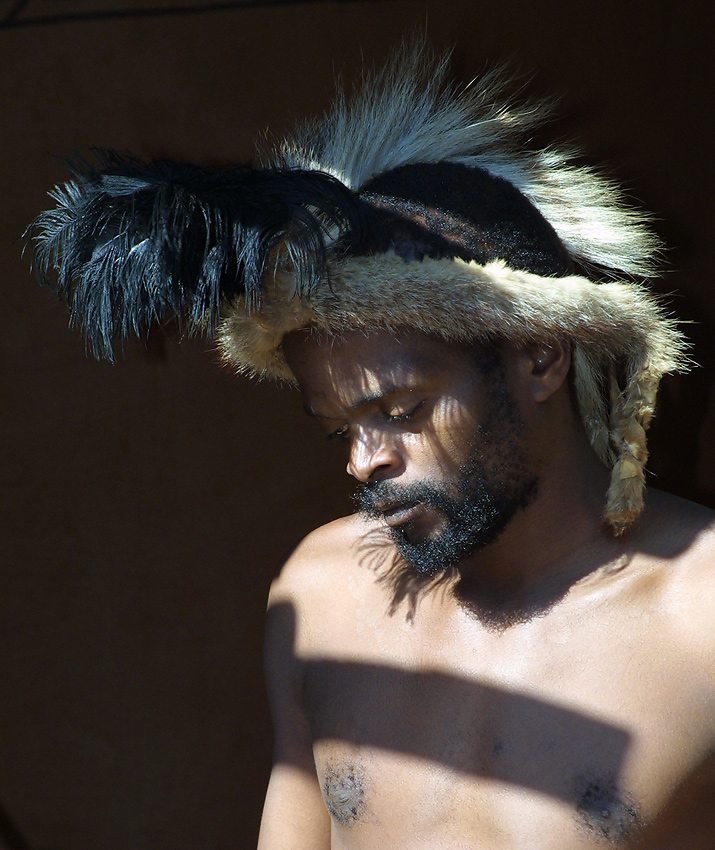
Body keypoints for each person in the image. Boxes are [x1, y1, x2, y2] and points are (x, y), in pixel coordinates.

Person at [28, 42, 714, 849]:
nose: (362, 461)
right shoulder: (321, 594)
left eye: (400, 408)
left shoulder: (697, 616)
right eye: (339, 427)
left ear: (538, 357)